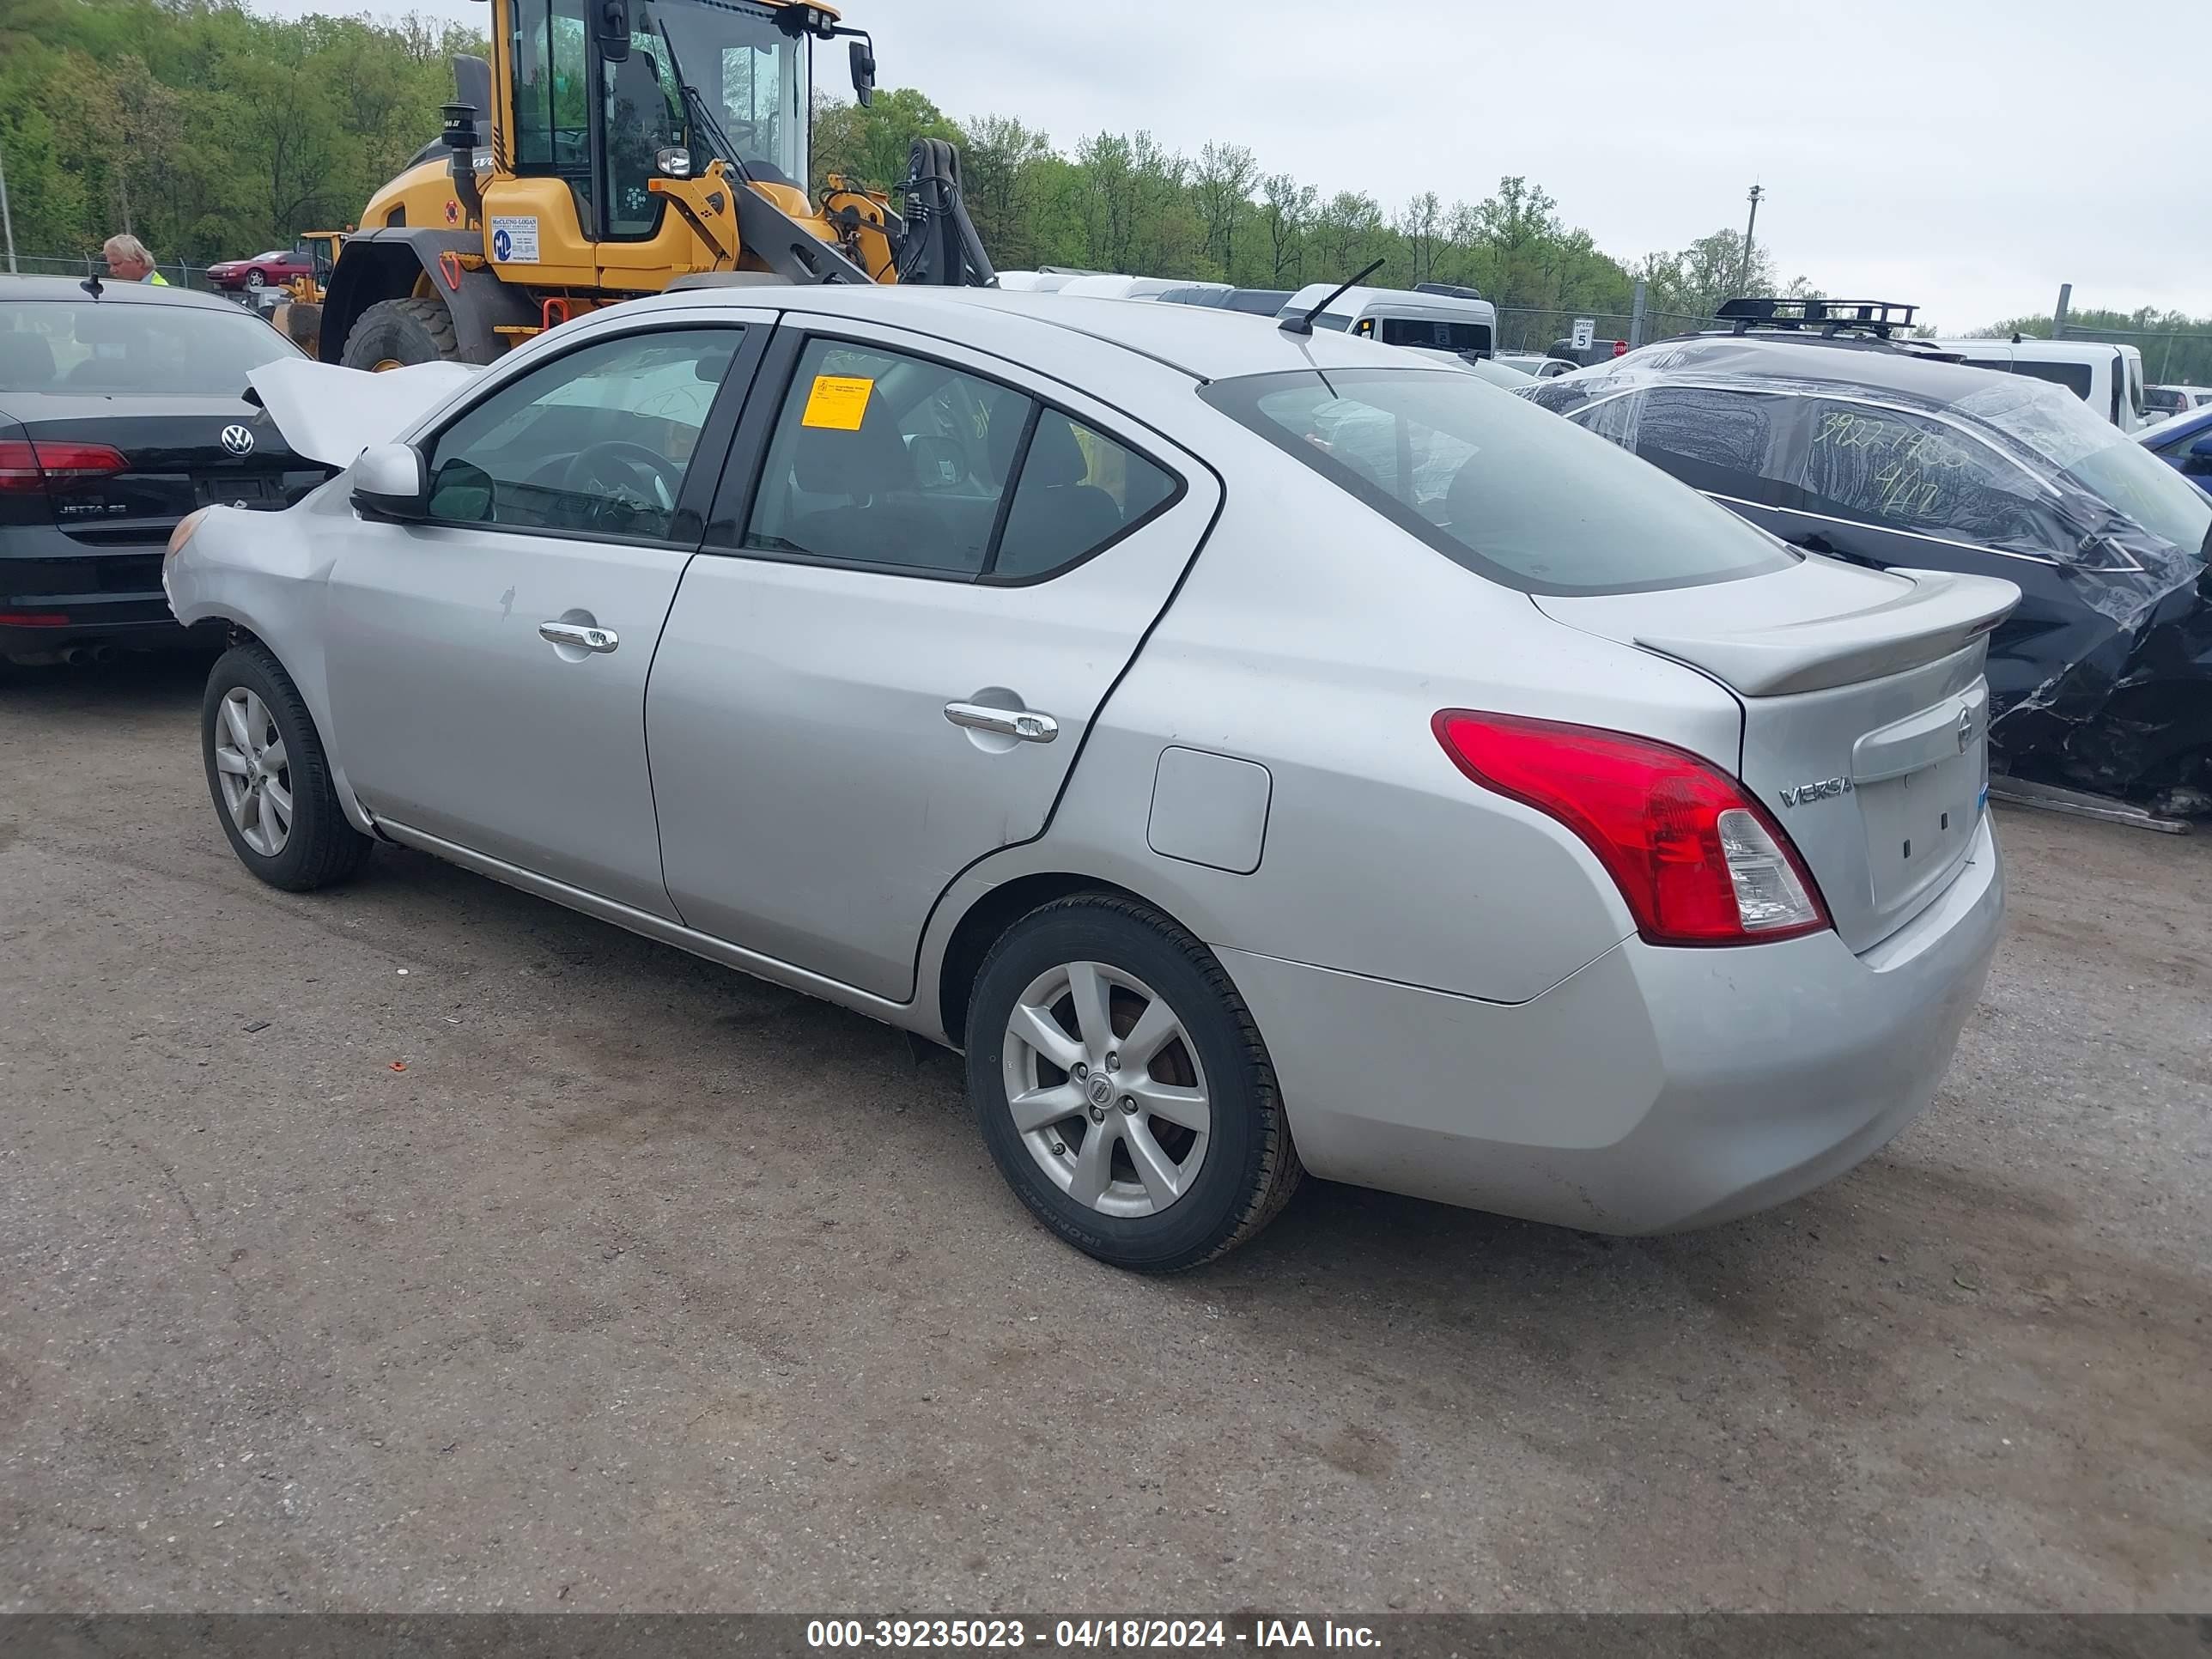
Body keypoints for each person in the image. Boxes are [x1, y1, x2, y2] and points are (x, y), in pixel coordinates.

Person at [102, 234, 168, 285]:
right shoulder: (135, 288)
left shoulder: (159, 291)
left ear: (139, 261)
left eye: (116, 264)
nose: (112, 270)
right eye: (110, 265)